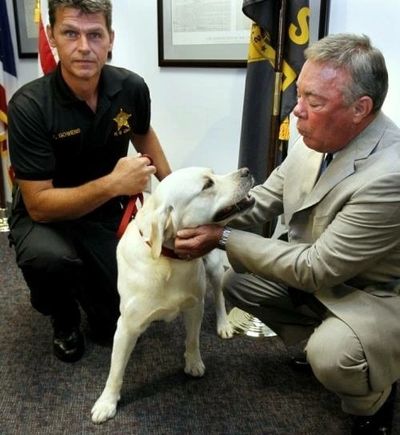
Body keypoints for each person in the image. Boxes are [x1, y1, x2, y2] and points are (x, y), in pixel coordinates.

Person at [174, 33, 400, 434]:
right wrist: (200, 217)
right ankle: (320, 336)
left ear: (360, 109)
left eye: (314, 102)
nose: (297, 111)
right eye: (301, 95)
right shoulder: (316, 137)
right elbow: (262, 200)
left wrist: (220, 239)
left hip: (373, 295)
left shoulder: (390, 175)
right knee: (235, 280)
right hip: (319, 277)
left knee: (333, 357)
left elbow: (316, 268)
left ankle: (373, 397)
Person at [8, 0, 171, 363]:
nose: (84, 46)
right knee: (50, 260)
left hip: (100, 211)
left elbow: (143, 134)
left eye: (95, 34)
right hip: (46, 216)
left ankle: (89, 285)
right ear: (52, 37)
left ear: (110, 39)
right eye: (71, 33)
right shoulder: (29, 106)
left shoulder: (131, 87)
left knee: (114, 321)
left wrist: (173, 192)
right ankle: (63, 315)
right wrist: (115, 184)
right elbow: (39, 203)